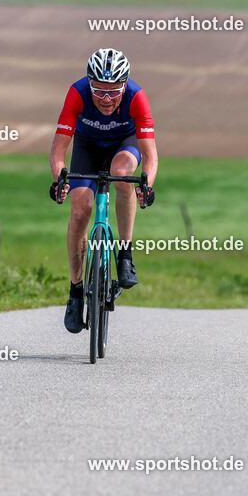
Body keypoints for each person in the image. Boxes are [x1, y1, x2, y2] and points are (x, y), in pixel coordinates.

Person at [49, 48, 158, 333]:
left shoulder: (137, 96)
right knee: (80, 211)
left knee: (123, 175)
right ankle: (75, 292)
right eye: (99, 90)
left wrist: (147, 184)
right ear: (89, 84)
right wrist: (59, 179)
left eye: (113, 91)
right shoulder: (77, 93)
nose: (106, 99)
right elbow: (59, 148)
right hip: (87, 146)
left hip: (125, 142)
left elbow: (150, 154)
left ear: (125, 84)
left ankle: (125, 254)